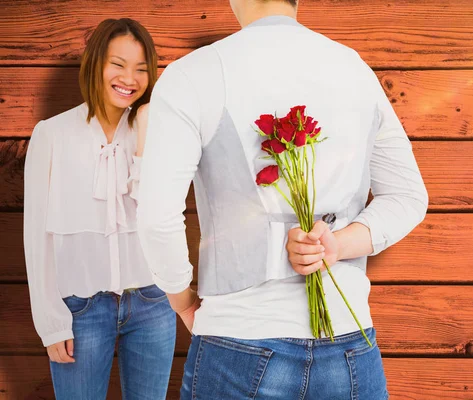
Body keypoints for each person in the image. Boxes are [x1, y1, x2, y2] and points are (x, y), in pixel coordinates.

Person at [136, 0, 428, 398]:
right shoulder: (354, 69)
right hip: (350, 344)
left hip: (237, 340)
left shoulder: (194, 73)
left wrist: (181, 299)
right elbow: (408, 196)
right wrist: (336, 246)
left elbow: (157, 218)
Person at [23, 18, 176, 399]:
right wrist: (51, 324)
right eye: (119, 64)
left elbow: (157, 211)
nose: (130, 78)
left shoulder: (154, 130)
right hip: (79, 310)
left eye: (142, 69)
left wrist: (144, 136)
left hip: (152, 303)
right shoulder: (52, 134)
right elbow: (36, 236)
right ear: (96, 64)